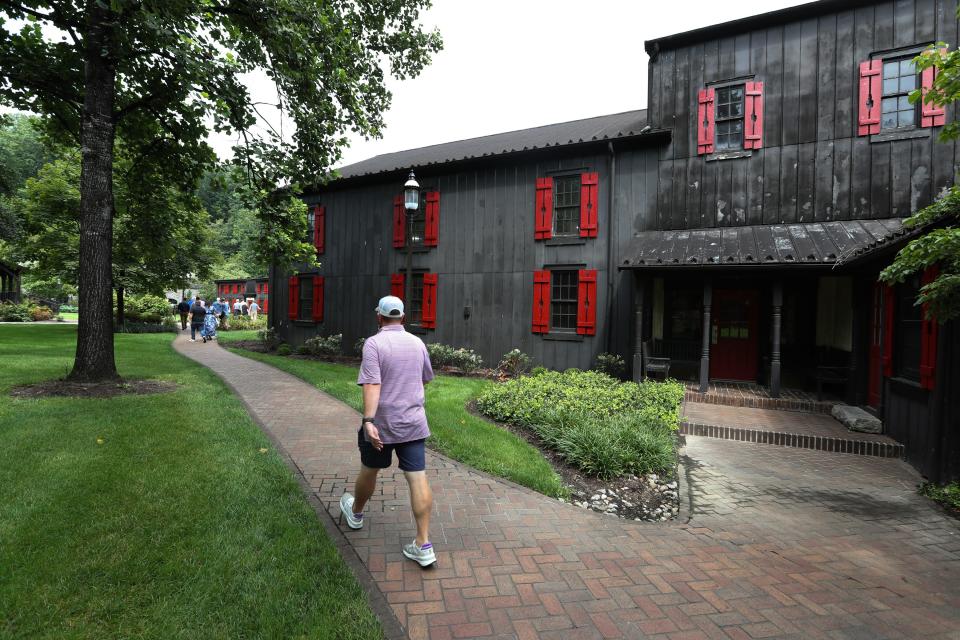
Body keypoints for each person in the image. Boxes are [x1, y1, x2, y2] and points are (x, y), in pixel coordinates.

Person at [340, 295, 437, 568]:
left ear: (379, 317)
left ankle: (356, 513)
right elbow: (425, 378)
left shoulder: (374, 343)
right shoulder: (418, 343)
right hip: (414, 424)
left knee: (369, 471)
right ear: (403, 318)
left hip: (381, 427)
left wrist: (369, 421)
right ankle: (423, 543)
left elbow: (372, 383)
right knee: (418, 479)